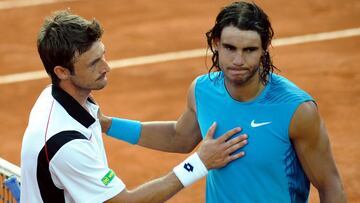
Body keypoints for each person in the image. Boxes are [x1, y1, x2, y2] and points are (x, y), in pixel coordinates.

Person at [101, 1, 347, 202]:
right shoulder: (203, 90)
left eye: (249, 50)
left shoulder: (296, 110)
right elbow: (180, 136)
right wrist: (109, 125)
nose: (238, 60)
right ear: (216, 43)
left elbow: (330, 186)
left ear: (265, 48)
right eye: (230, 48)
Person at [20, 10, 249, 203]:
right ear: (62, 72)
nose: (106, 67)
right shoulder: (65, 143)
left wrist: (109, 125)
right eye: (94, 63)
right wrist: (199, 163)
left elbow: (181, 138)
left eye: (103, 55)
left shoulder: (56, 98)